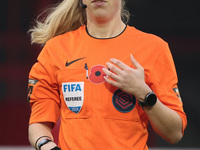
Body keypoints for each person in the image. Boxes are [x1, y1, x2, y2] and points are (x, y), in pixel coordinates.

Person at [27, 0, 187, 149]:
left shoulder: (155, 48)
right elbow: (39, 123)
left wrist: (143, 93)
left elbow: (174, 133)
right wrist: (46, 145)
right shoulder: (55, 49)